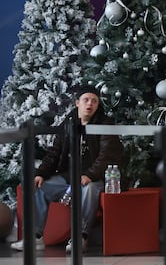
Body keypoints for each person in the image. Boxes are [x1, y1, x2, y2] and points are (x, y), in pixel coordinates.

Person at [11, 86, 123, 254]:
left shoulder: (105, 124)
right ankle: (35, 237)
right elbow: (54, 153)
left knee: (90, 189)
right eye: (86, 100)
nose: (90, 104)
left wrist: (90, 175)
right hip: (68, 177)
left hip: (96, 178)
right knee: (39, 187)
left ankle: (80, 237)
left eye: (94, 101)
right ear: (77, 102)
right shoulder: (68, 123)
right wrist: (41, 173)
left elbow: (107, 155)